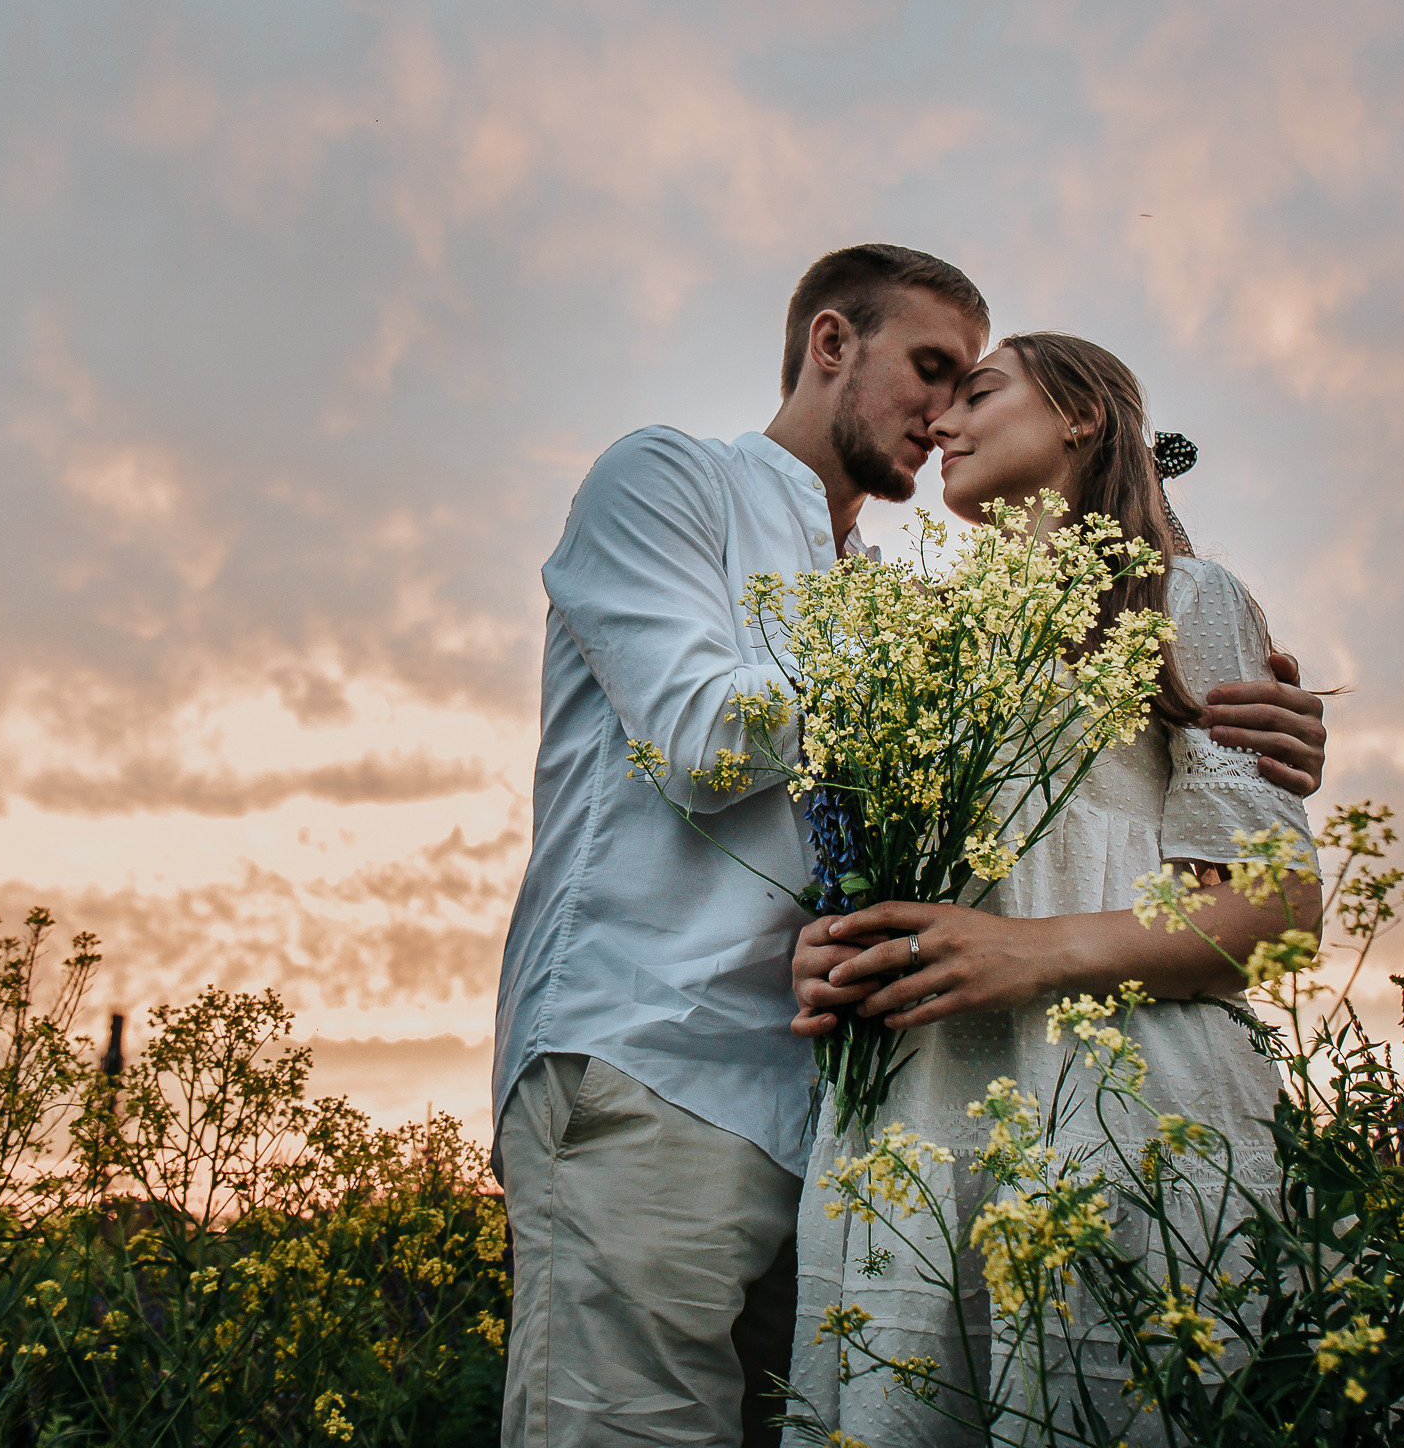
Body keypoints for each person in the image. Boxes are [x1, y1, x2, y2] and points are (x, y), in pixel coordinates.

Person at [491, 252, 1328, 1448]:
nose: (940, 419)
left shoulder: (916, 596)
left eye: (970, 387)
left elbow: (1006, 837)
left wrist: (1222, 704)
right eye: (933, 372)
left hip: (859, 1108)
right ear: (832, 343)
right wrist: (936, 656)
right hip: (654, 1067)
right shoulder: (672, 481)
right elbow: (702, 739)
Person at [787, 332, 1321, 1446]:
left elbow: (1276, 914)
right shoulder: (930, 635)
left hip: (1119, 1101)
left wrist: (1026, 952)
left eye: (979, 392)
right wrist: (833, 943)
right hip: (924, 1111)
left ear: (1080, 413)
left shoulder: (1187, 595)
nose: (943, 422)